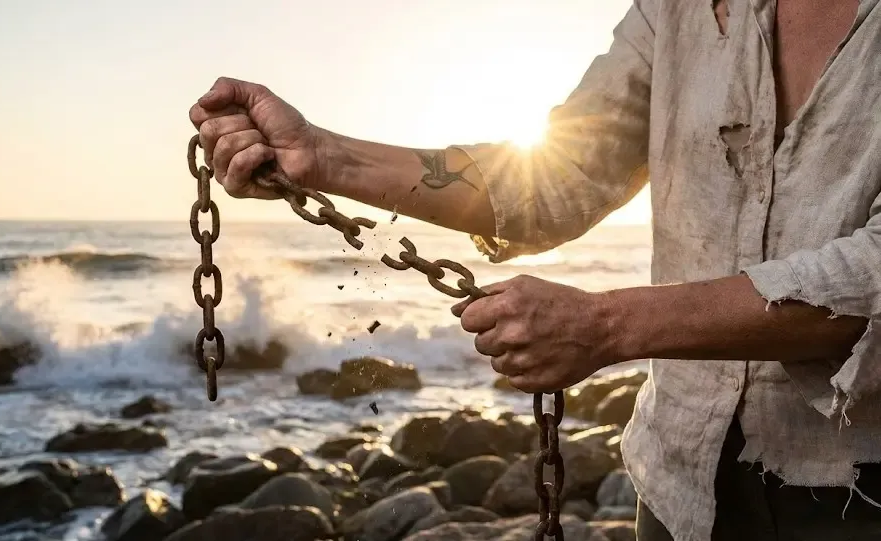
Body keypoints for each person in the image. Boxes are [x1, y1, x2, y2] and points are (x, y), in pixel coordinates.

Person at [188, 0, 881, 539]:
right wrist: (323, 156)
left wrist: (606, 325)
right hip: (680, 485)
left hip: (862, 489)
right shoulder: (673, 13)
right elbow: (555, 178)